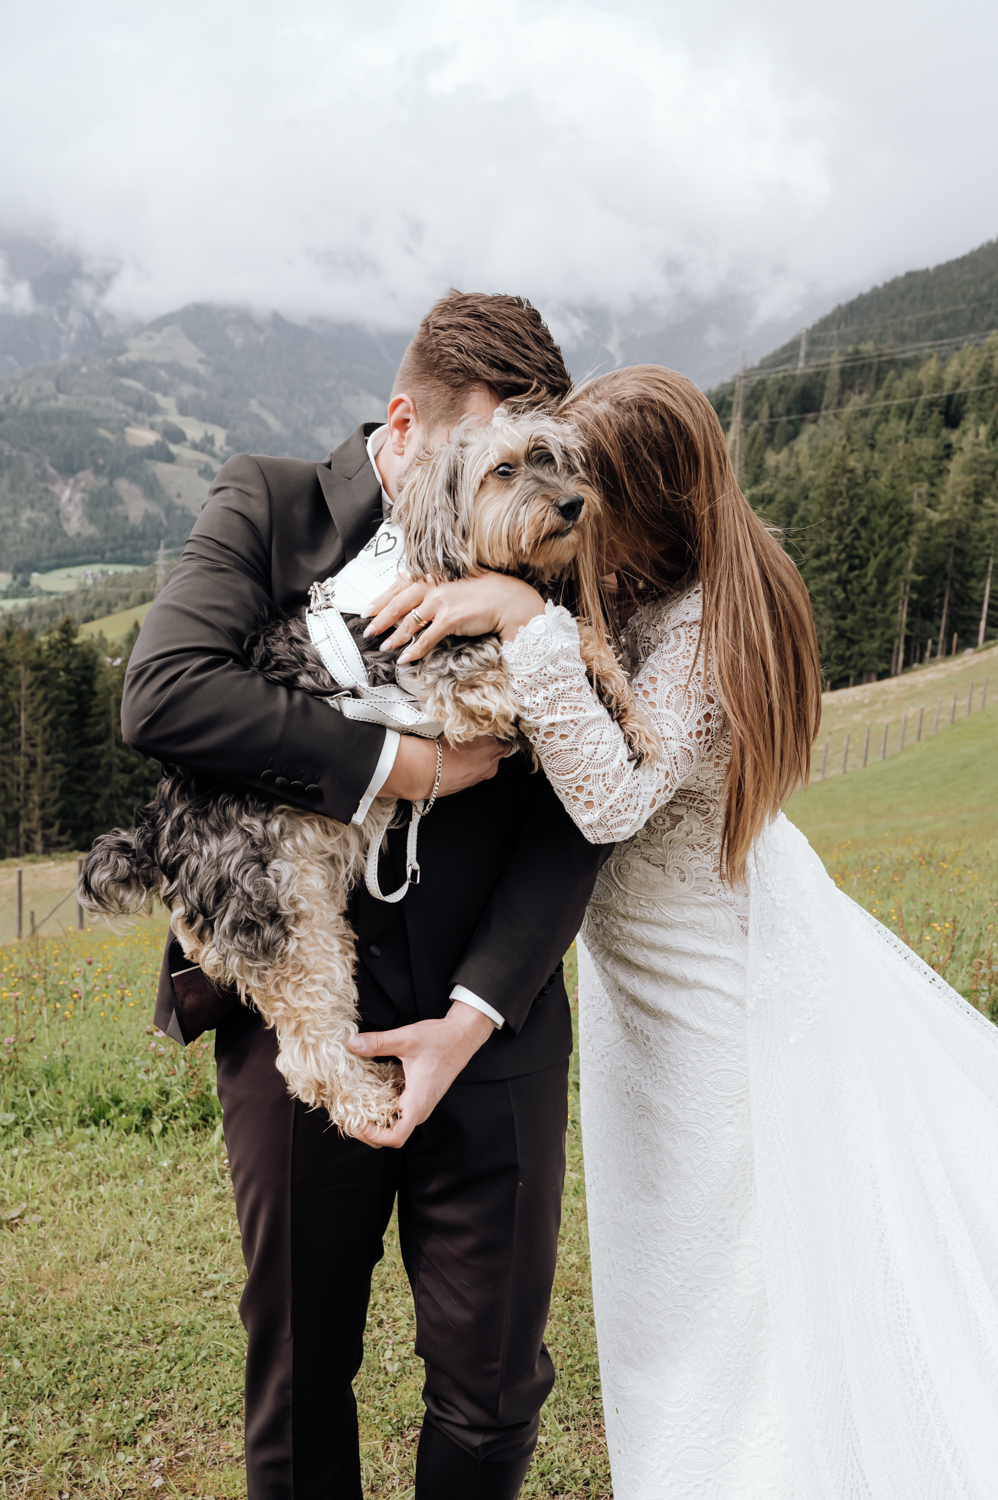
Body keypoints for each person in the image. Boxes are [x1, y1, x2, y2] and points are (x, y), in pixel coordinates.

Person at [366, 363, 998, 1499]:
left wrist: (521, 621)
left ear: (644, 504)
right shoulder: (641, 594)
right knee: (664, 1266)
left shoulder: (709, 626)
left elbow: (609, 801)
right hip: (643, 987)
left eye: (582, 488)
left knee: (729, 1273)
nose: (562, 506)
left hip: (717, 993)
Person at [120, 292, 613, 1500]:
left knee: (496, 1390)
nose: (533, 488)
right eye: (494, 454)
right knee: (299, 1376)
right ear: (403, 427)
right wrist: (410, 763)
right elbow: (165, 693)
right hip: (295, 1030)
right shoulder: (267, 501)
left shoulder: (548, 557)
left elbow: (579, 810)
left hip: (489, 1027)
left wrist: (480, 1009)